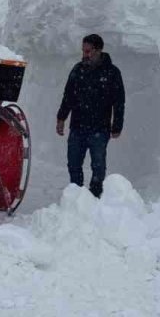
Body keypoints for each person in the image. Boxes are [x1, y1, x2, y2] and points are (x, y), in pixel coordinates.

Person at [57, 33, 125, 198]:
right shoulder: (77, 70)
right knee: (73, 164)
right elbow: (68, 96)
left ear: (99, 50)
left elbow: (119, 101)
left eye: (88, 51)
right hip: (77, 127)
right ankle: (76, 195)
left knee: (98, 165)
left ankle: (95, 196)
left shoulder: (112, 73)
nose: (84, 55)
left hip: (99, 129)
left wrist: (117, 126)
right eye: (83, 51)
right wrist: (61, 118)